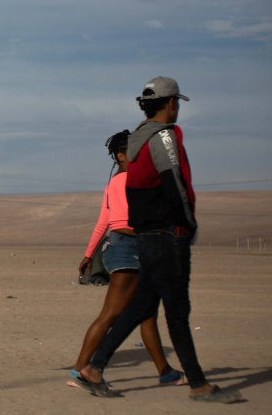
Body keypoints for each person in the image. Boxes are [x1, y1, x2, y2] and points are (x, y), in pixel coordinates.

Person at [74, 77, 242, 404]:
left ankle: (94, 369)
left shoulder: (135, 140)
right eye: (176, 102)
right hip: (166, 233)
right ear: (171, 104)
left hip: (147, 234)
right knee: (177, 310)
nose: (176, 108)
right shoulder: (164, 137)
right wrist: (187, 223)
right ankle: (198, 384)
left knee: (142, 306)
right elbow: (175, 180)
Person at [69, 130, 183, 387]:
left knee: (146, 314)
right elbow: (120, 222)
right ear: (120, 155)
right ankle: (80, 370)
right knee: (111, 314)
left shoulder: (113, 184)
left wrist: (89, 254)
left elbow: (103, 222)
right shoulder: (133, 180)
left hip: (123, 246)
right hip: (128, 248)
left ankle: (165, 371)